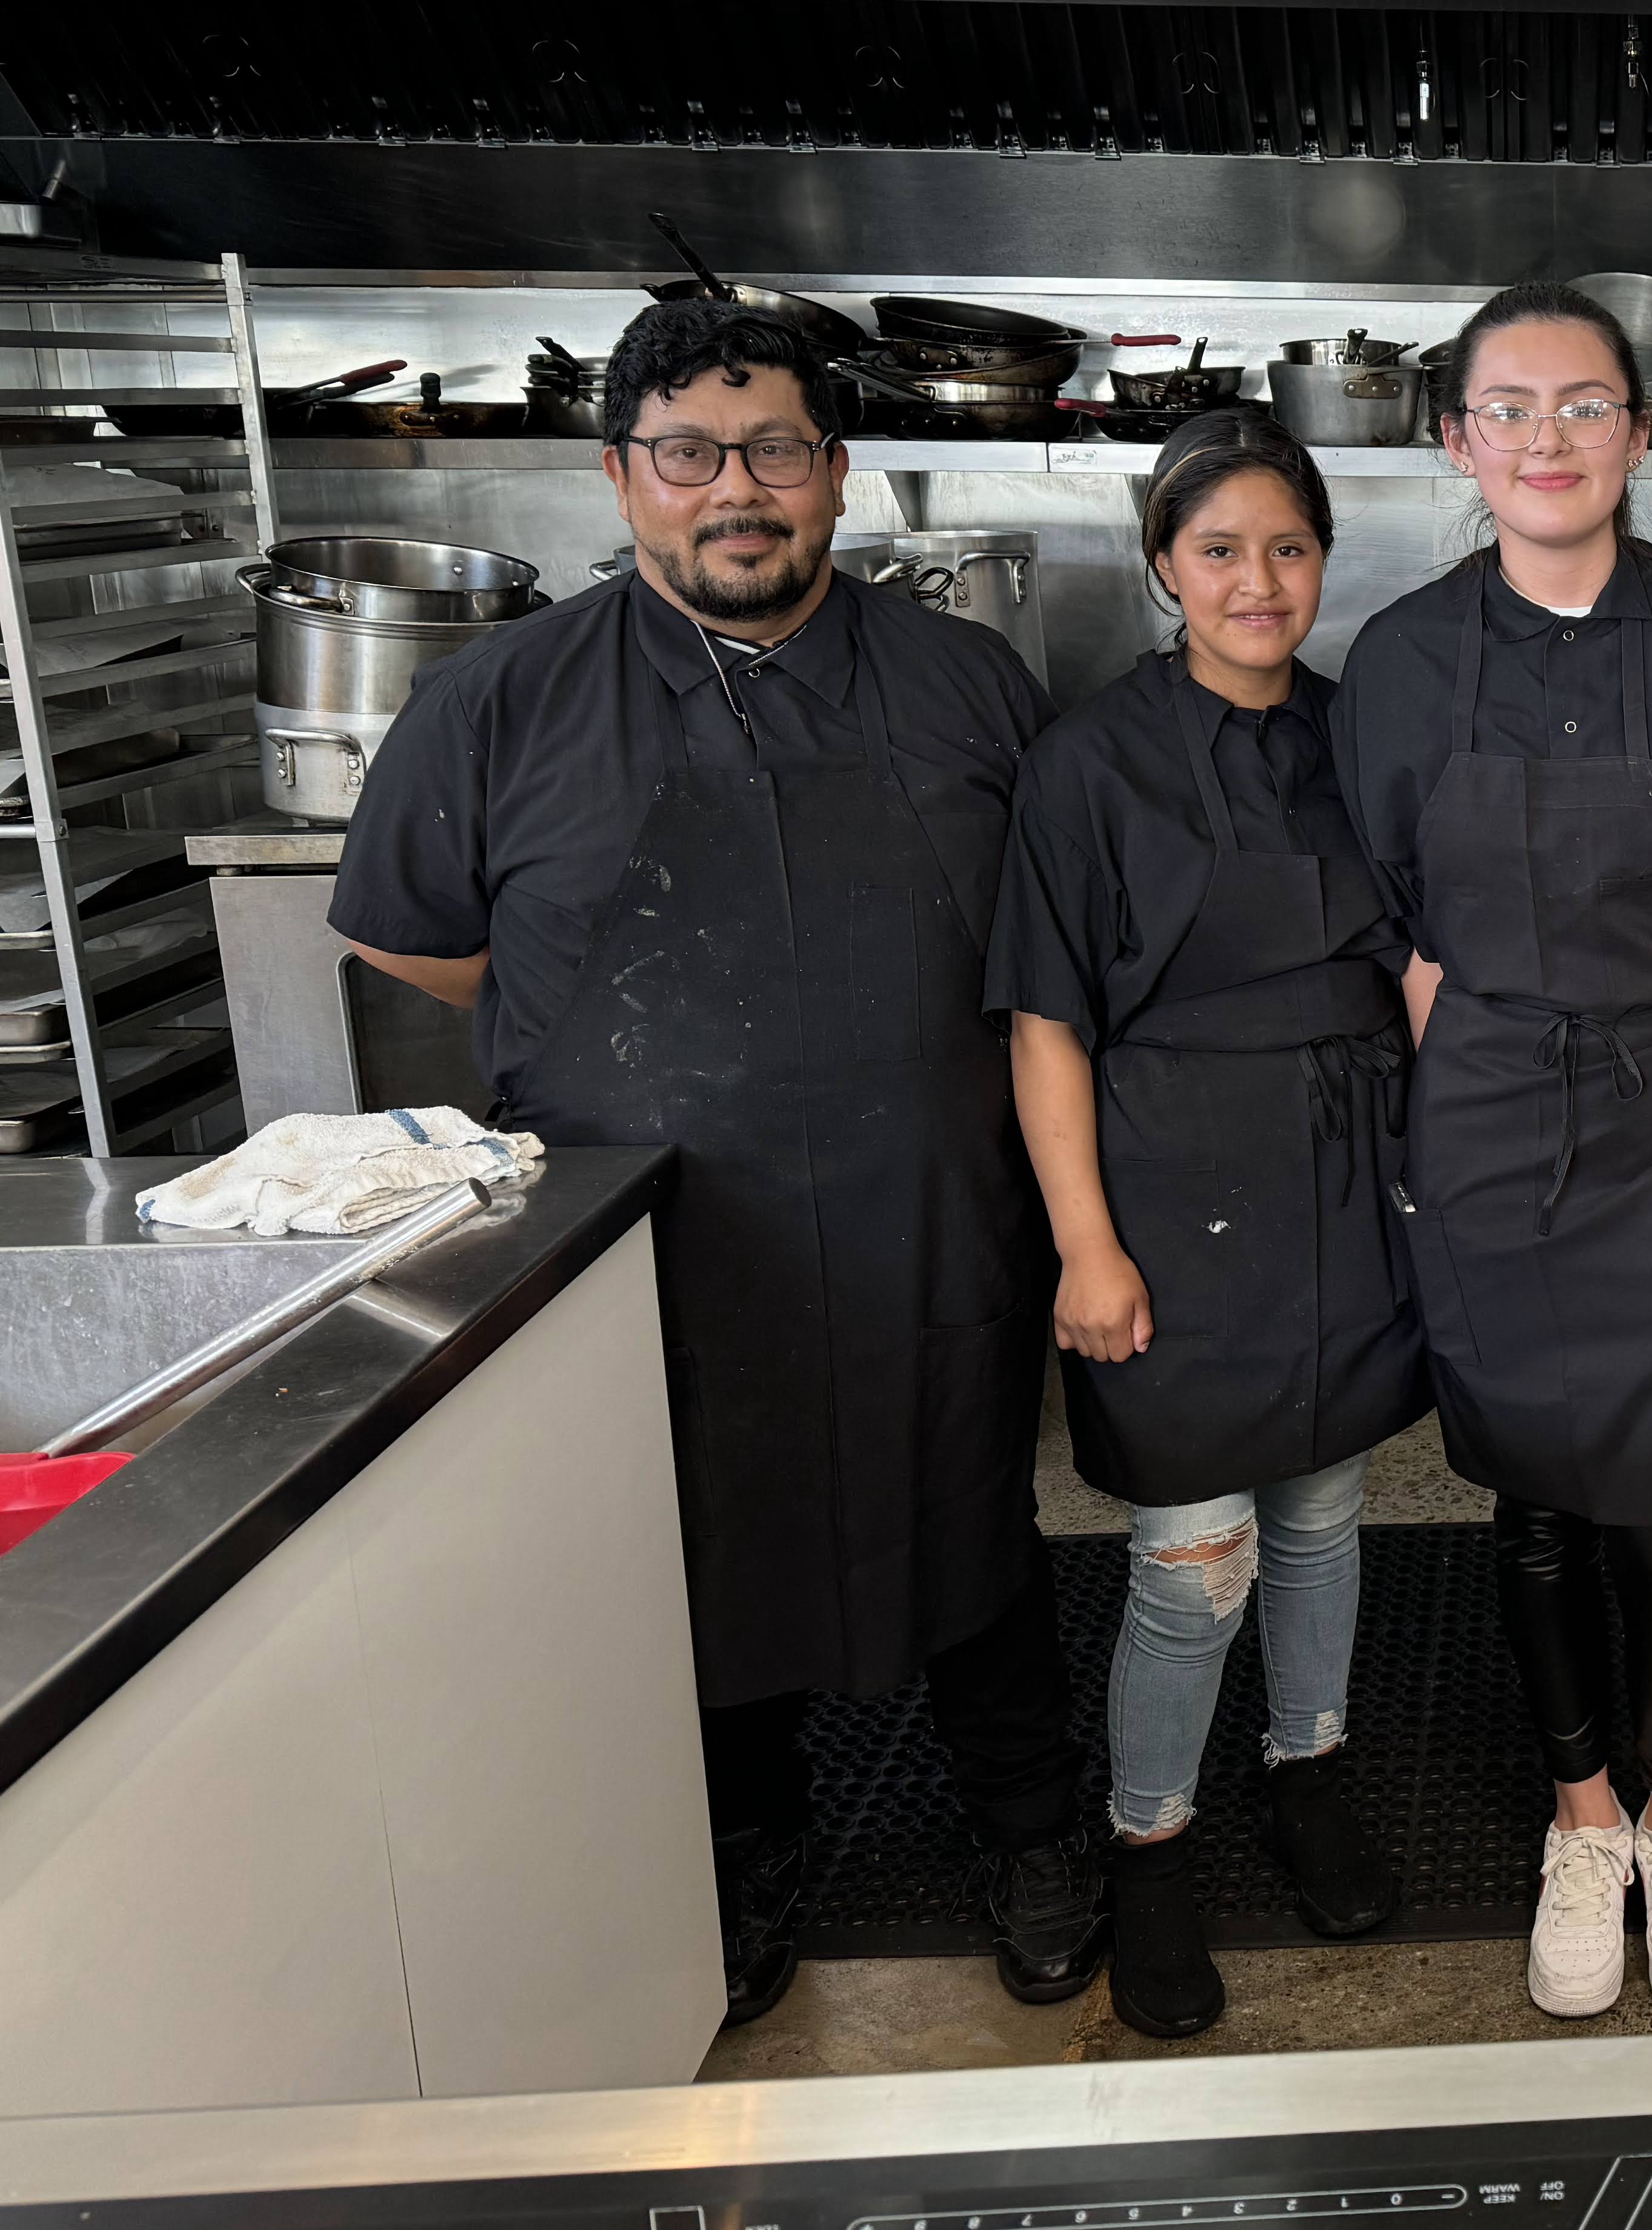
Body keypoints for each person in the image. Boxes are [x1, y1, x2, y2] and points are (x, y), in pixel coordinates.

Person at [330, 297, 1105, 2026]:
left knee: (973, 1518)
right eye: (687, 453)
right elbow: (422, 944)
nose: (732, 489)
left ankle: (1031, 1829)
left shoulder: (969, 683)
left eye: (773, 451)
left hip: (932, 1216)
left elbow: (1045, 951)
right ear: (621, 478)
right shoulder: (498, 704)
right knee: (687, 1543)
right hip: (653, 1239)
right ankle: (739, 1855)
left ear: (835, 476)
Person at [1332, 281, 1652, 2022]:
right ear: (1456, 439)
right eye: (1510, 409)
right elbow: (1405, 940)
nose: (1548, 439)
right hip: (1489, 1108)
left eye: (1586, 404)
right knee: (1536, 1504)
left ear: (1641, 428)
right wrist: (1453, 1137)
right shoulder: (1399, 660)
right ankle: (1583, 1814)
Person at [988, 412, 1422, 2040]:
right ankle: (1151, 1845)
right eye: (1222, 549)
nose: (1260, 580)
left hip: (1342, 1185)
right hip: (1167, 1199)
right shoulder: (1088, 764)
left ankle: (1309, 1770)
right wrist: (1084, 1247)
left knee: (1321, 1522)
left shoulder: (1361, 731)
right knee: (1193, 1564)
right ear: (1166, 564)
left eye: (1290, 547)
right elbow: (1046, 1024)